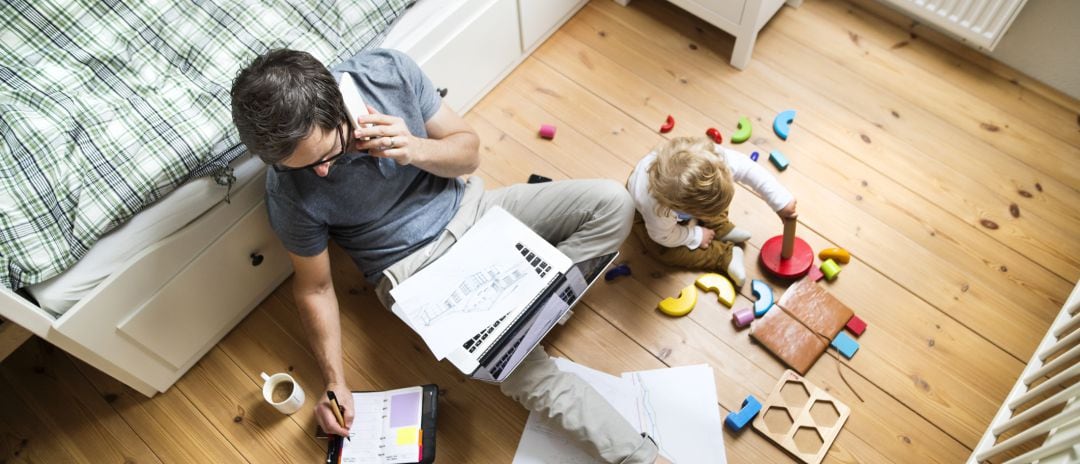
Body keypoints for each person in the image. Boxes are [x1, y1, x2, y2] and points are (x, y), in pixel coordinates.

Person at [230, 48, 669, 463]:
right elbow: (316, 286)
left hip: (477, 211)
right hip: (416, 273)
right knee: (521, 371)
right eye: (302, 167)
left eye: (327, 154)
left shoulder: (386, 73)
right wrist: (334, 382)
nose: (321, 172)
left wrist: (415, 148)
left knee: (612, 202)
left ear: (337, 106)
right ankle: (639, 454)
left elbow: (469, 152)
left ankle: (535, 310)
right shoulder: (287, 191)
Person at [627, 137, 797, 286]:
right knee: (661, 251)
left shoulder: (714, 160)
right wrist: (695, 235)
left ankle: (720, 226)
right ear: (687, 211)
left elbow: (748, 169)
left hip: (685, 200)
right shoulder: (658, 212)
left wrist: (780, 201)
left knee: (715, 197)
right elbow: (664, 237)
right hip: (647, 217)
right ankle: (722, 256)